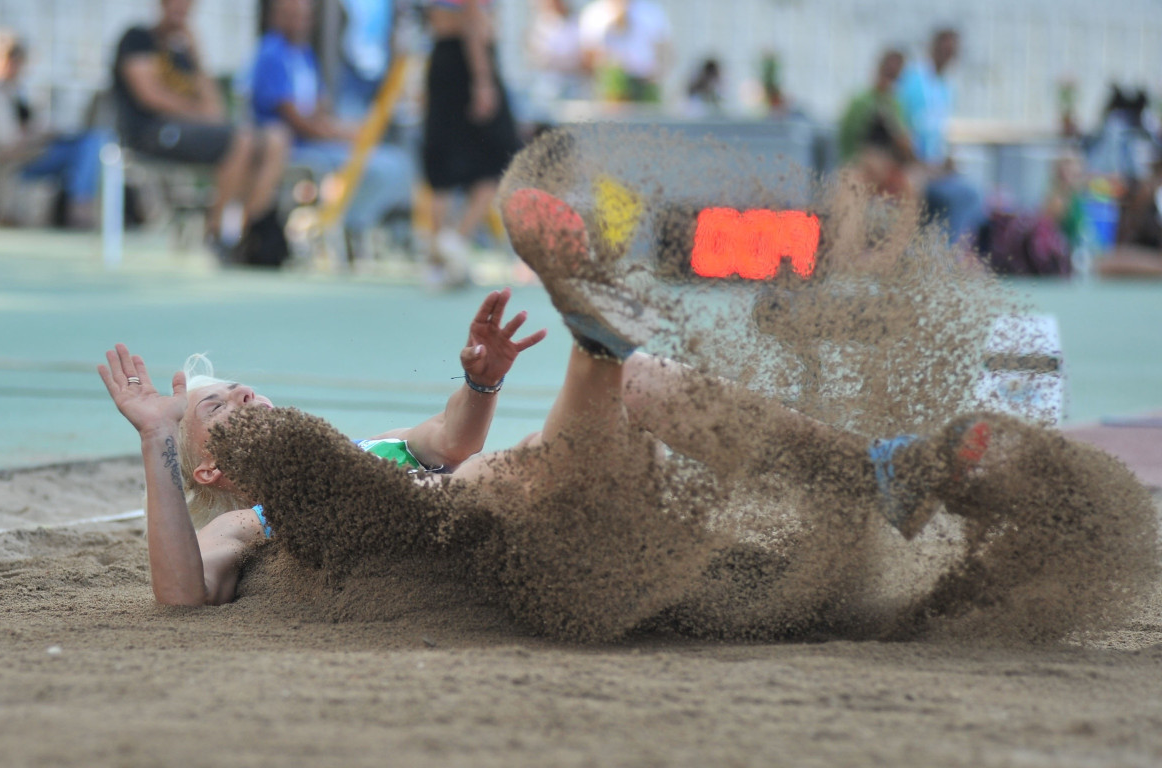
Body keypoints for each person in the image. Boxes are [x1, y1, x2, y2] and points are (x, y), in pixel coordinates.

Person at [99, 189, 999, 608]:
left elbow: (451, 436)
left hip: (544, 492)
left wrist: (480, 377)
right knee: (510, 465)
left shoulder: (366, 449)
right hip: (518, 533)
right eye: (218, 409)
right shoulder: (248, 516)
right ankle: (588, 328)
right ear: (211, 463)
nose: (242, 392)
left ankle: (877, 472)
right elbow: (181, 599)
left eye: (238, 385)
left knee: (638, 381)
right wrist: (155, 442)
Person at [112, 0, 290, 256]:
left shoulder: (184, 54)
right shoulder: (138, 38)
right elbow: (150, 96)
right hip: (151, 133)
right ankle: (215, 234)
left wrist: (197, 58)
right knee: (242, 140)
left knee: (275, 139)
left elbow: (215, 111)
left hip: (186, 131)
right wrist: (197, 113)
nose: (180, 9)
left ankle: (248, 230)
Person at [249, 0, 414, 246]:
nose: (300, 23)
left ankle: (353, 223)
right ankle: (344, 225)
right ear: (277, 17)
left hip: (318, 141)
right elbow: (296, 121)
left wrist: (346, 130)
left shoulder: (304, 54)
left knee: (398, 163)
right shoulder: (272, 53)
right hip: (296, 147)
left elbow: (320, 109)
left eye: (304, 17)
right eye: (292, 16)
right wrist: (343, 136)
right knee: (383, 168)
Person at [421, 0, 523, 284]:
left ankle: (439, 259)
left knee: (442, 166)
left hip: (443, 60)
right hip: (467, 65)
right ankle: (454, 241)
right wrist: (483, 80)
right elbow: (472, 17)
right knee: (501, 156)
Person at [0, 32, 108, 228]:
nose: (17, 68)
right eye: (12, 61)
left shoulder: (15, 92)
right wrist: (37, 135)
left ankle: (83, 205)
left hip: (32, 153)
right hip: (17, 161)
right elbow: (5, 147)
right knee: (91, 144)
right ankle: (79, 209)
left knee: (95, 141)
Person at [896, 28, 984, 243]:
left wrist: (945, 162)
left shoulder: (946, 87)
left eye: (952, 52)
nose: (949, 56)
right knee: (963, 196)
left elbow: (938, 134)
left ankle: (942, 254)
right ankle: (939, 257)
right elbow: (901, 130)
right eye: (945, 50)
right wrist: (922, 165)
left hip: (934, 169)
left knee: (973, 197)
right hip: (912, 166)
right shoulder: (911, 81)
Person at [838, 49, 916, 198]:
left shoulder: (896, 105)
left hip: (888, 167)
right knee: (851, 184)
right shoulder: (861, 101)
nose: (889, 80)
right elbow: (848, 141)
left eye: (894, 76)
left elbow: (904, 143)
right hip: (862, 164)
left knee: (910, 187)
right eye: (887, 73)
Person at [577, 0, 672, 104]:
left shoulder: (651, 11)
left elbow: (665, 50)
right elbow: (587, 56)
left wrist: (656, 75)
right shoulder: (594, 13)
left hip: (645, 85)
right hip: (609, 90)